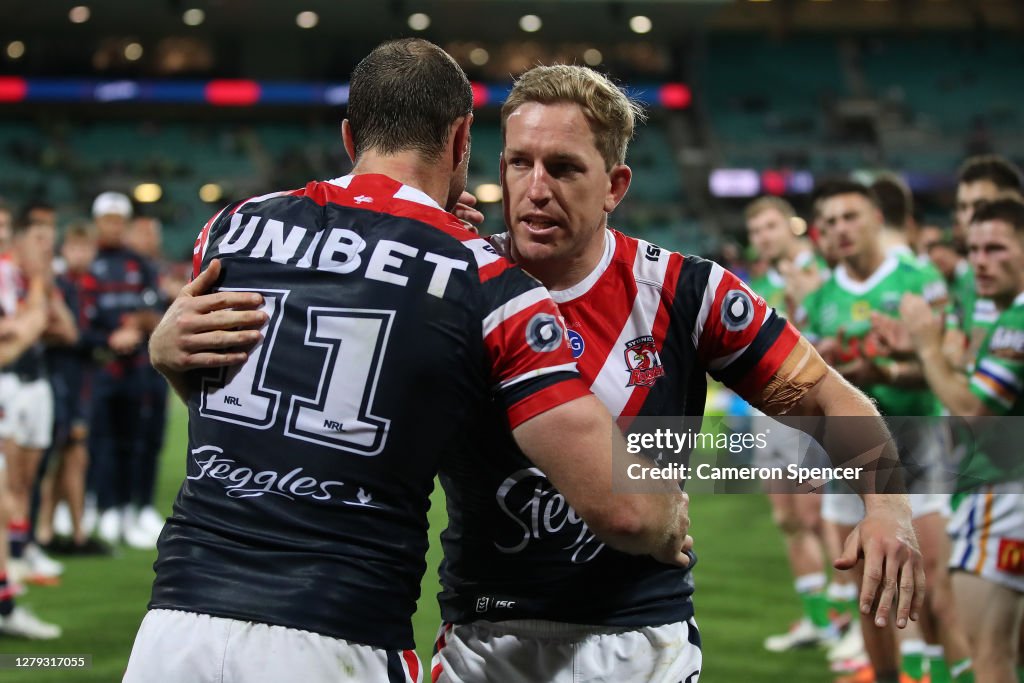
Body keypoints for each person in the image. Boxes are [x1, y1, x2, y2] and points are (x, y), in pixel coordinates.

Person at [128, 39, 691, 683]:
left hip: (172, 626)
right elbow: (621, 509)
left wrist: (162, 356)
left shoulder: (230, 231)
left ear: (349, 137)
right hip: (338, 631)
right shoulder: (487, 280)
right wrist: (663, 515)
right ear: (461, 139)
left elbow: (245, 406)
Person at [802, 181, 972, 683]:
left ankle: (945, 675)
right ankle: (887, 676)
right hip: (851, 456)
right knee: (867, 588)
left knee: (936, 582)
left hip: (919, 446)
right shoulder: (821, 298)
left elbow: (947, 368)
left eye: (850, 216)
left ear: (877, 217)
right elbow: (807, 386)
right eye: (829, 222)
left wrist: (895, 365)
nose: (840, 229)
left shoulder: (920, 279)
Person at [901, 197, 1024, 683]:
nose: (980, 261)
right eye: (973, 249)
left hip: (1001, 495)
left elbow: (973, 410)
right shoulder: (998, 315)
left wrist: (928, 345)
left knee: (989, 653)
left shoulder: (1015, 320)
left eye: (996, 248)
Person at [744, 196, 857, 657]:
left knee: (822, 518)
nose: (763, 237)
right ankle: (817, 620)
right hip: (764, 412)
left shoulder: (823, 273)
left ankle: (845, 616)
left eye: (770, 227)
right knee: (788, 518)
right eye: (755, 232)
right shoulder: (754, 284)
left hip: (807, 412)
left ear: (791, 228)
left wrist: (804, 303)